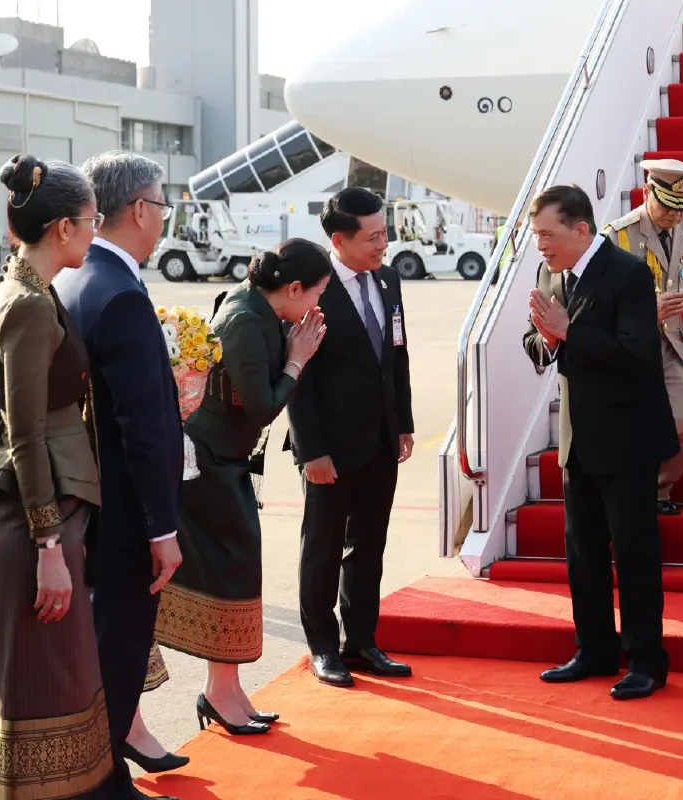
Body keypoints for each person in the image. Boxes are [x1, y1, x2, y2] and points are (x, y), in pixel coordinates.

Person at [0, 155, 114, 799]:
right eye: (92, 221)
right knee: (41, 677)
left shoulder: (26, 284)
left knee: (57, 672)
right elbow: (23, 432)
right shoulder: (28, 302)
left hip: (51, 497)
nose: (96, 230)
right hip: (41, 506)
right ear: (63, 227)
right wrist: (48, 545)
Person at [157, 239, 330, 731]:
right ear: (293, 288)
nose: (317, 306)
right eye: (316, 293)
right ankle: (221, 693)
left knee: (234, 572)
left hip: (226, 461)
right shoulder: (246, 320)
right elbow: (261, 407)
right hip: (208, 463)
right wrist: (298, 360)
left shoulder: (259, 310)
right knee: (229, 571)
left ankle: (225, 690)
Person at [54, 151, 185, 799]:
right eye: (161, 206)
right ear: (139, 209)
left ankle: (100, 771)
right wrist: (163, 526)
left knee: (99, 647)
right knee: (120, 649)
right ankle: (102, 780)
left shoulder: (75, 279)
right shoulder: (122, 293)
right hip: (128, 515)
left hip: (87, 501)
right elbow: (142, 428)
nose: (162, 219)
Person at [523, 184, 677, 700]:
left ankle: (646, 661)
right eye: (536, 234)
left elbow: (635, 352)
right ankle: (594, 649)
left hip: (628, 435)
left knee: (634, 551)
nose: (540, 245)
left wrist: (568, 332)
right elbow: (540, 341)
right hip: (579, 436)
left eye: (547, 233)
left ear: (581, 229)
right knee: (582, 551)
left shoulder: (630, 273)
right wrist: (545, 340)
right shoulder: (551, 272)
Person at [284, 187, 415, 688]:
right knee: (322, 546)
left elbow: (396, 355)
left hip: (380, 438)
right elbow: (300, 377)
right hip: (330, 447)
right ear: (339, 239)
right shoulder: (311, 290)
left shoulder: (387, 278)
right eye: (373, 236)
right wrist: (310, 449)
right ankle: (322, 646)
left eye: (385, 232)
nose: (384, 243)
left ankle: (362, 641)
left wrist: (401, 422)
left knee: (369, 544)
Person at [604, 159, 683, 516]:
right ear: (646, 193)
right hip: (628, 346)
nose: (676, 216)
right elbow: (600, 305)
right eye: (668, 206)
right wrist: (646, 311)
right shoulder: (618, 236)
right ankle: (631, 490)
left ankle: (659, 487)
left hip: (672, 344)